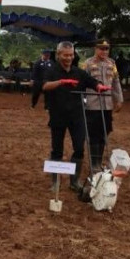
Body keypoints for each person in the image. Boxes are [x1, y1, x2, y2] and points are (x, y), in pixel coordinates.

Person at [42, 41, 110, 192]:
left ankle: (74, 181)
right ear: (58, 55)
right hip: (58, 115)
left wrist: (99, 86)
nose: (68, 58)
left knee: (79, 148)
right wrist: (61, 82)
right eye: (65, 55)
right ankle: (55, 182)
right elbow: (45, 86)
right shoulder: (51, 70)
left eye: (71, 55)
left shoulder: (78, 72)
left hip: (77, 116)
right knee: (57, 149)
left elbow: (91, 81)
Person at [80, 39, 124, 171]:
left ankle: (98, 162)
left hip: (107, 105)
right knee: (94, 134)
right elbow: (81, 83)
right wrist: (82, 101)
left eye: (106, 49)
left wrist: (119, 99)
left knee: (105, 132)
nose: (104, 51)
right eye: (101, 48)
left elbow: (116, 82)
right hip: (92, 105)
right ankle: (94, 164)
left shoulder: (111, 63)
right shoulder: (87, 63)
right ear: (95, 49)